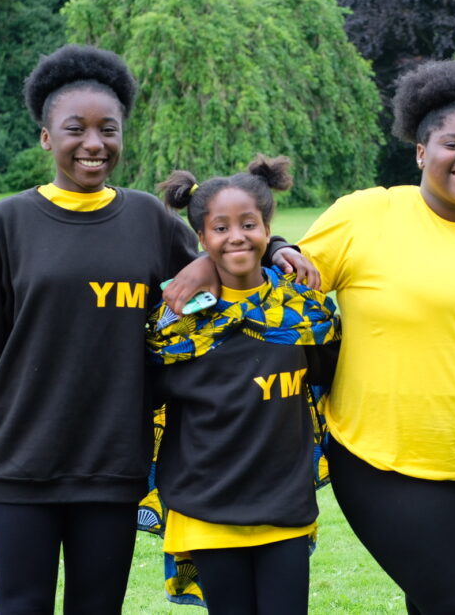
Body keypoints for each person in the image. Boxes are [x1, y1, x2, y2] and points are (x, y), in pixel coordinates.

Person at [275, 60, 455, 615]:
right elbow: (279, 278)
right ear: (420, 151)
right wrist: (262, 248)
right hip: (385, 464)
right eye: (452, 143)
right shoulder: (368, 214)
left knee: (437, 602)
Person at [0, 44, 201, 614]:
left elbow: (231, 261)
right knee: (21, 606)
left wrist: (277, 250)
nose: (93, 143)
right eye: (75, 129)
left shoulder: (148, 219)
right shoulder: (5, 224)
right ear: (45, 137)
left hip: (113, 463)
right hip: (19, 464)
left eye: (108, 129)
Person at [147, 156, 339, 614]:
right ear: (202, 238)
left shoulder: (304, 310)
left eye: (248, 224)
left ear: (267, 230)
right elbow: (147, 394)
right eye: (221, 228)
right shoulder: (177, 318)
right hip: (206, 504)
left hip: (284, 504)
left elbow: (329, 378)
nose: (236, 236)